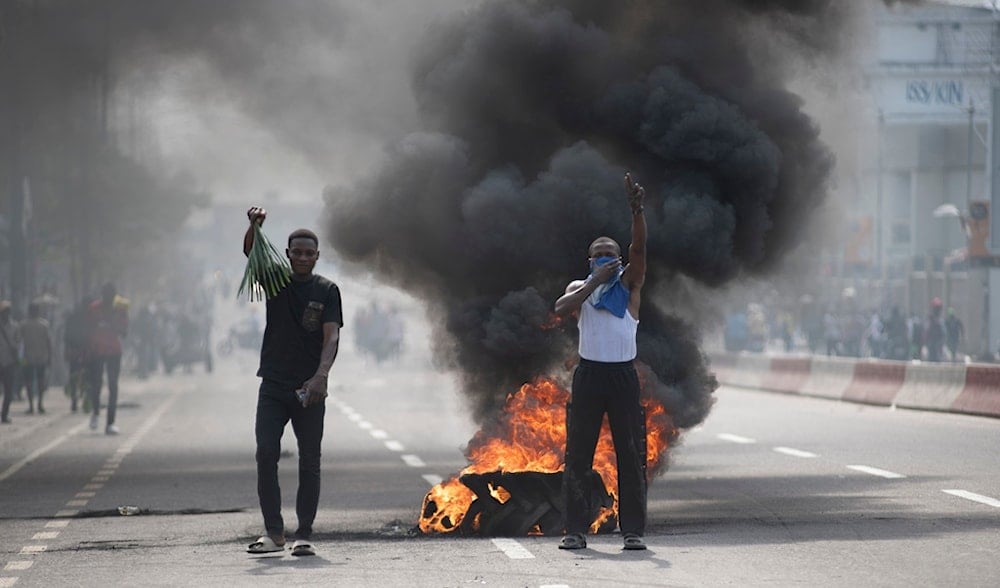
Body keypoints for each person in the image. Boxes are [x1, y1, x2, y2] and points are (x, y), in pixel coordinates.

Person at [553, 172, 648, 551]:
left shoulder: (629, 286)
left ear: (620, 259)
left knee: (630, 454)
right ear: (589, 260)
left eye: (610, 254)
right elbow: (560, 308)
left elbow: (640, 249)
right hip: (589, 376)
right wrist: (594, 282)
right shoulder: (580, 289)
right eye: (598, 254)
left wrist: (637, 211)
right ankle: (575, 530)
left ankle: (633, 532)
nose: (605, 258)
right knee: (579, 454)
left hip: (622, 377)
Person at [243, 206, 343, 557]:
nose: (302, 257)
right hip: (272, 385)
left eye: (308, 253)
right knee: (266, 453)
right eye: (296, 252)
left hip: (309, 389)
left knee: (309, 460)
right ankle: (274, 533)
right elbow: (250, 254)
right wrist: (254, 226)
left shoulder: (328, 290)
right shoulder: (276, 282)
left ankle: (304, 534)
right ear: (287, 255)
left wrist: (321, 376)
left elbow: (331, 337)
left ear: (317, 257)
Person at [87, 283, 129, 435]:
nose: (109, 298)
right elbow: (88, 329)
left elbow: (125, 332)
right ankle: (96, 413)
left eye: (112, 296)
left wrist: (116, 324)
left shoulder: (120, 310)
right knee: (96, 384)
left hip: (114, 350)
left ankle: (110, 422)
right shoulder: (94, 308)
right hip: (97, 350)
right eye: (107, 295)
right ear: (102, 295)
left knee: (113, 386)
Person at [20, 302, 52, 414]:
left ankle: (32, 405)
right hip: (40, 357)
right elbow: (49, 342)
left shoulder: (24, 325)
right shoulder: (44, 324)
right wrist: (50, 357)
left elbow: (19, 342)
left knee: (30, 382)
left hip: (28, 358)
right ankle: (39, 404)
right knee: (39, 382)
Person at [0, 301, 20, 424]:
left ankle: (4, 414)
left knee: (8, 391)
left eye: (7, 311)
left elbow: (19, 343)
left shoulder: (15, 326)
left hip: (9, 362)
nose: (6, 314)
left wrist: (16, 351)